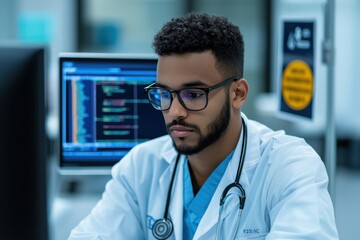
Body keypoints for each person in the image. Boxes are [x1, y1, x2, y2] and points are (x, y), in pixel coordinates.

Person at [68, 12, 338, 239]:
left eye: (194, 95)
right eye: (164, 94)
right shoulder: (141, 167)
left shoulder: (289, 166)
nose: (174, 112)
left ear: (238, 94)